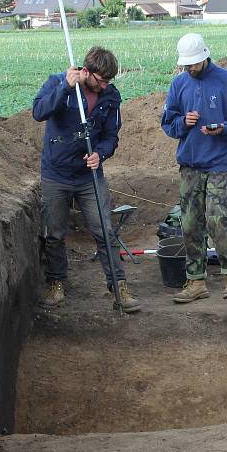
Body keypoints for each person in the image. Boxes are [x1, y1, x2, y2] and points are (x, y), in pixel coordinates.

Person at [32, 46, 140, 313]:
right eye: (101, 80)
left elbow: (111, 136)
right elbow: (39, 112)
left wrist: (100, 154)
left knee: (104, 230)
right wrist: (65, 89)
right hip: (56, 173)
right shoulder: (59, 83)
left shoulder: (111, 96)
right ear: (86, 72)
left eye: (109, 81)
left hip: (89, 176)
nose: (105, 86)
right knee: (54, 233)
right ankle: (56, 283)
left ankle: (118, 286)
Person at [161, 33, 227, 303]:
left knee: (217, 219)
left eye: (193, 64)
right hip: (190, 164)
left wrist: (224, 129)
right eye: (185, 65)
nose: (189, 68)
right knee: (189, 224)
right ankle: (196, 281)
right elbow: (168, 122)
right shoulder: (179, 85)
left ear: (204, 56)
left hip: (220, 163)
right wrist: (183, 123)